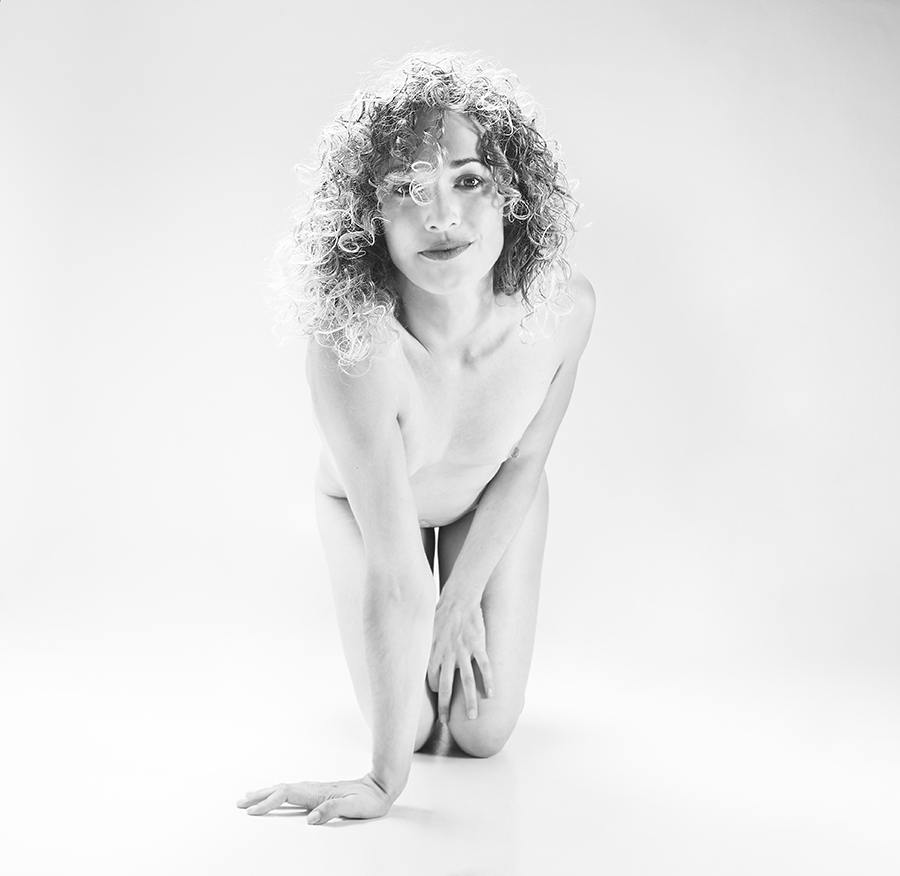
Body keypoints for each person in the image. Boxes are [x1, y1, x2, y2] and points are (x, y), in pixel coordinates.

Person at [237, 50, 594, 825]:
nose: (439, 217)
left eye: (468, 180)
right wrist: (382, 779)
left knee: (481, 733)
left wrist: (461, 597)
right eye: (406, 189)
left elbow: (526, 460)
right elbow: (398, 574)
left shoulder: (563, 311)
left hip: (490, 497)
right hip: (366, 513)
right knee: (418, 730)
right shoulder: (356, 348)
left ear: (514, 193)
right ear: (367, 216)